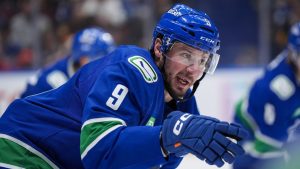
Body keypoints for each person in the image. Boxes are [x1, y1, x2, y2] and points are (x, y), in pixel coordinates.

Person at [0, 4, 248, 169]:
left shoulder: (183, 103)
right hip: (24, 148)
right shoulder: (132, 68)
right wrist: (165, 138)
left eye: (203, 60)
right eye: (186, 55)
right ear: (160, 48)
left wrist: (170, 141)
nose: (194, 70)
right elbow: (98, 150)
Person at [233, 22, 300, 169]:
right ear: (293, 54)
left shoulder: (294, 61)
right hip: (251, 126)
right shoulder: (279, 90)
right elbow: (269, 147)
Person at [20, 27, 115, 98]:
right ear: (82, 59)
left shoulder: (106, 76)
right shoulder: (51, 83)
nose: (107, 63)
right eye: (101, 58)